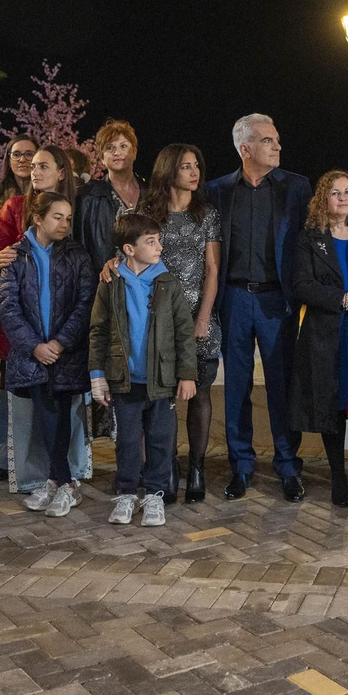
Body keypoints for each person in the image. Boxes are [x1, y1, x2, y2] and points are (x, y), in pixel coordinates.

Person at [205, 113, 311, 502]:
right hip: (233, 298)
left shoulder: (297, 188)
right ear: (245, 148)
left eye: (277, 139)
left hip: (276, 301)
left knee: (282, 387)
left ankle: (287, 466)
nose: (278, 146)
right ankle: (241, 467)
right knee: (236, 386)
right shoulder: (216, 191)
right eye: (268, 141)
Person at [0, 145, 92, 490]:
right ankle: (49, 477)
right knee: (35, 407)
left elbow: (83, 301)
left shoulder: (76, 251)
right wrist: (34, 346)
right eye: (55, 218)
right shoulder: (17, 250)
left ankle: (62, 476)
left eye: (42, 165)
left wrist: (61, 342)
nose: (33, 171)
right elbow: (8, 305)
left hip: (66, 346)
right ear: (37, 218)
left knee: (64, 409)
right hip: (29, 346)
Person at [89, 212, 197, 526]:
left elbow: (183, 331)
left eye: (158, 240)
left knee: (161, 439)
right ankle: (125, 494)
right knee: (126, 440)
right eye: (150, 242)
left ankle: (154, 495)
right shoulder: (110, 283)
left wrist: (187, 374)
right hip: (125, 381)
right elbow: (98, 330)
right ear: (129, 249)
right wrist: (97, 375)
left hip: (161, 381)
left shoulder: (167, 282)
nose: (159, 247)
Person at [137, 143, 222, 503]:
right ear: (168, 170)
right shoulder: (147, 213)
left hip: (198, 318)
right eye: (185, 166)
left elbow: (213, 268)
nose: (193, 172)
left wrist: (203, 316)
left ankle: (197, 468)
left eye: (196, 165)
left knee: (199, 393)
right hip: (158, 321)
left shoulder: (207, 214)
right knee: (165, 397)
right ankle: (166, 467)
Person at [288, 170, 348, 508]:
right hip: (326, 335)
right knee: (333, 405)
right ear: (323, 198)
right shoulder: (309, 239)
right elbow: (302, 286)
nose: (342, 197)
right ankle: (338, 475)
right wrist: (344, 298)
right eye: (335, 192)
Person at [0, 135, 39, 478]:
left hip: (48, 302)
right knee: (11, 379)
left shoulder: (65, 202)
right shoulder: (5, 202)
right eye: (16, 154)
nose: (23, 160)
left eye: (31, 155)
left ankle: (40, 453)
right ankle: (6, 454)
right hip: (13, 299)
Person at [77, 120, 143, 270]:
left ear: (134, 152)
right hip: (106, 283)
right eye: (109, 148)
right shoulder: (88, 196)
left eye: (123, 146)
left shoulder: (151, 193)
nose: (117, 152)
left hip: (148, 283)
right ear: (101, 158)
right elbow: (81, 249)